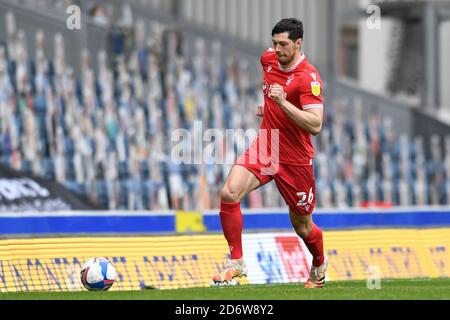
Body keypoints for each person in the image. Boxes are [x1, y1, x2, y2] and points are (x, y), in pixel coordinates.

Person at [212, 18, 327, 288]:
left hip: (295, 160)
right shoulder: (268, 59)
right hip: (267, 147)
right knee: (229, 192)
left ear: (298, 44)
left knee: (302, 227)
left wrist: (282, 104)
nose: (277, 49)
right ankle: (236, 263)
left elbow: (316, 124)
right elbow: (271, 91)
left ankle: (319, 264)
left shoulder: (309, 78)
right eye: (274, 43)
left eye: (283, 44)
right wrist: (269, 107)